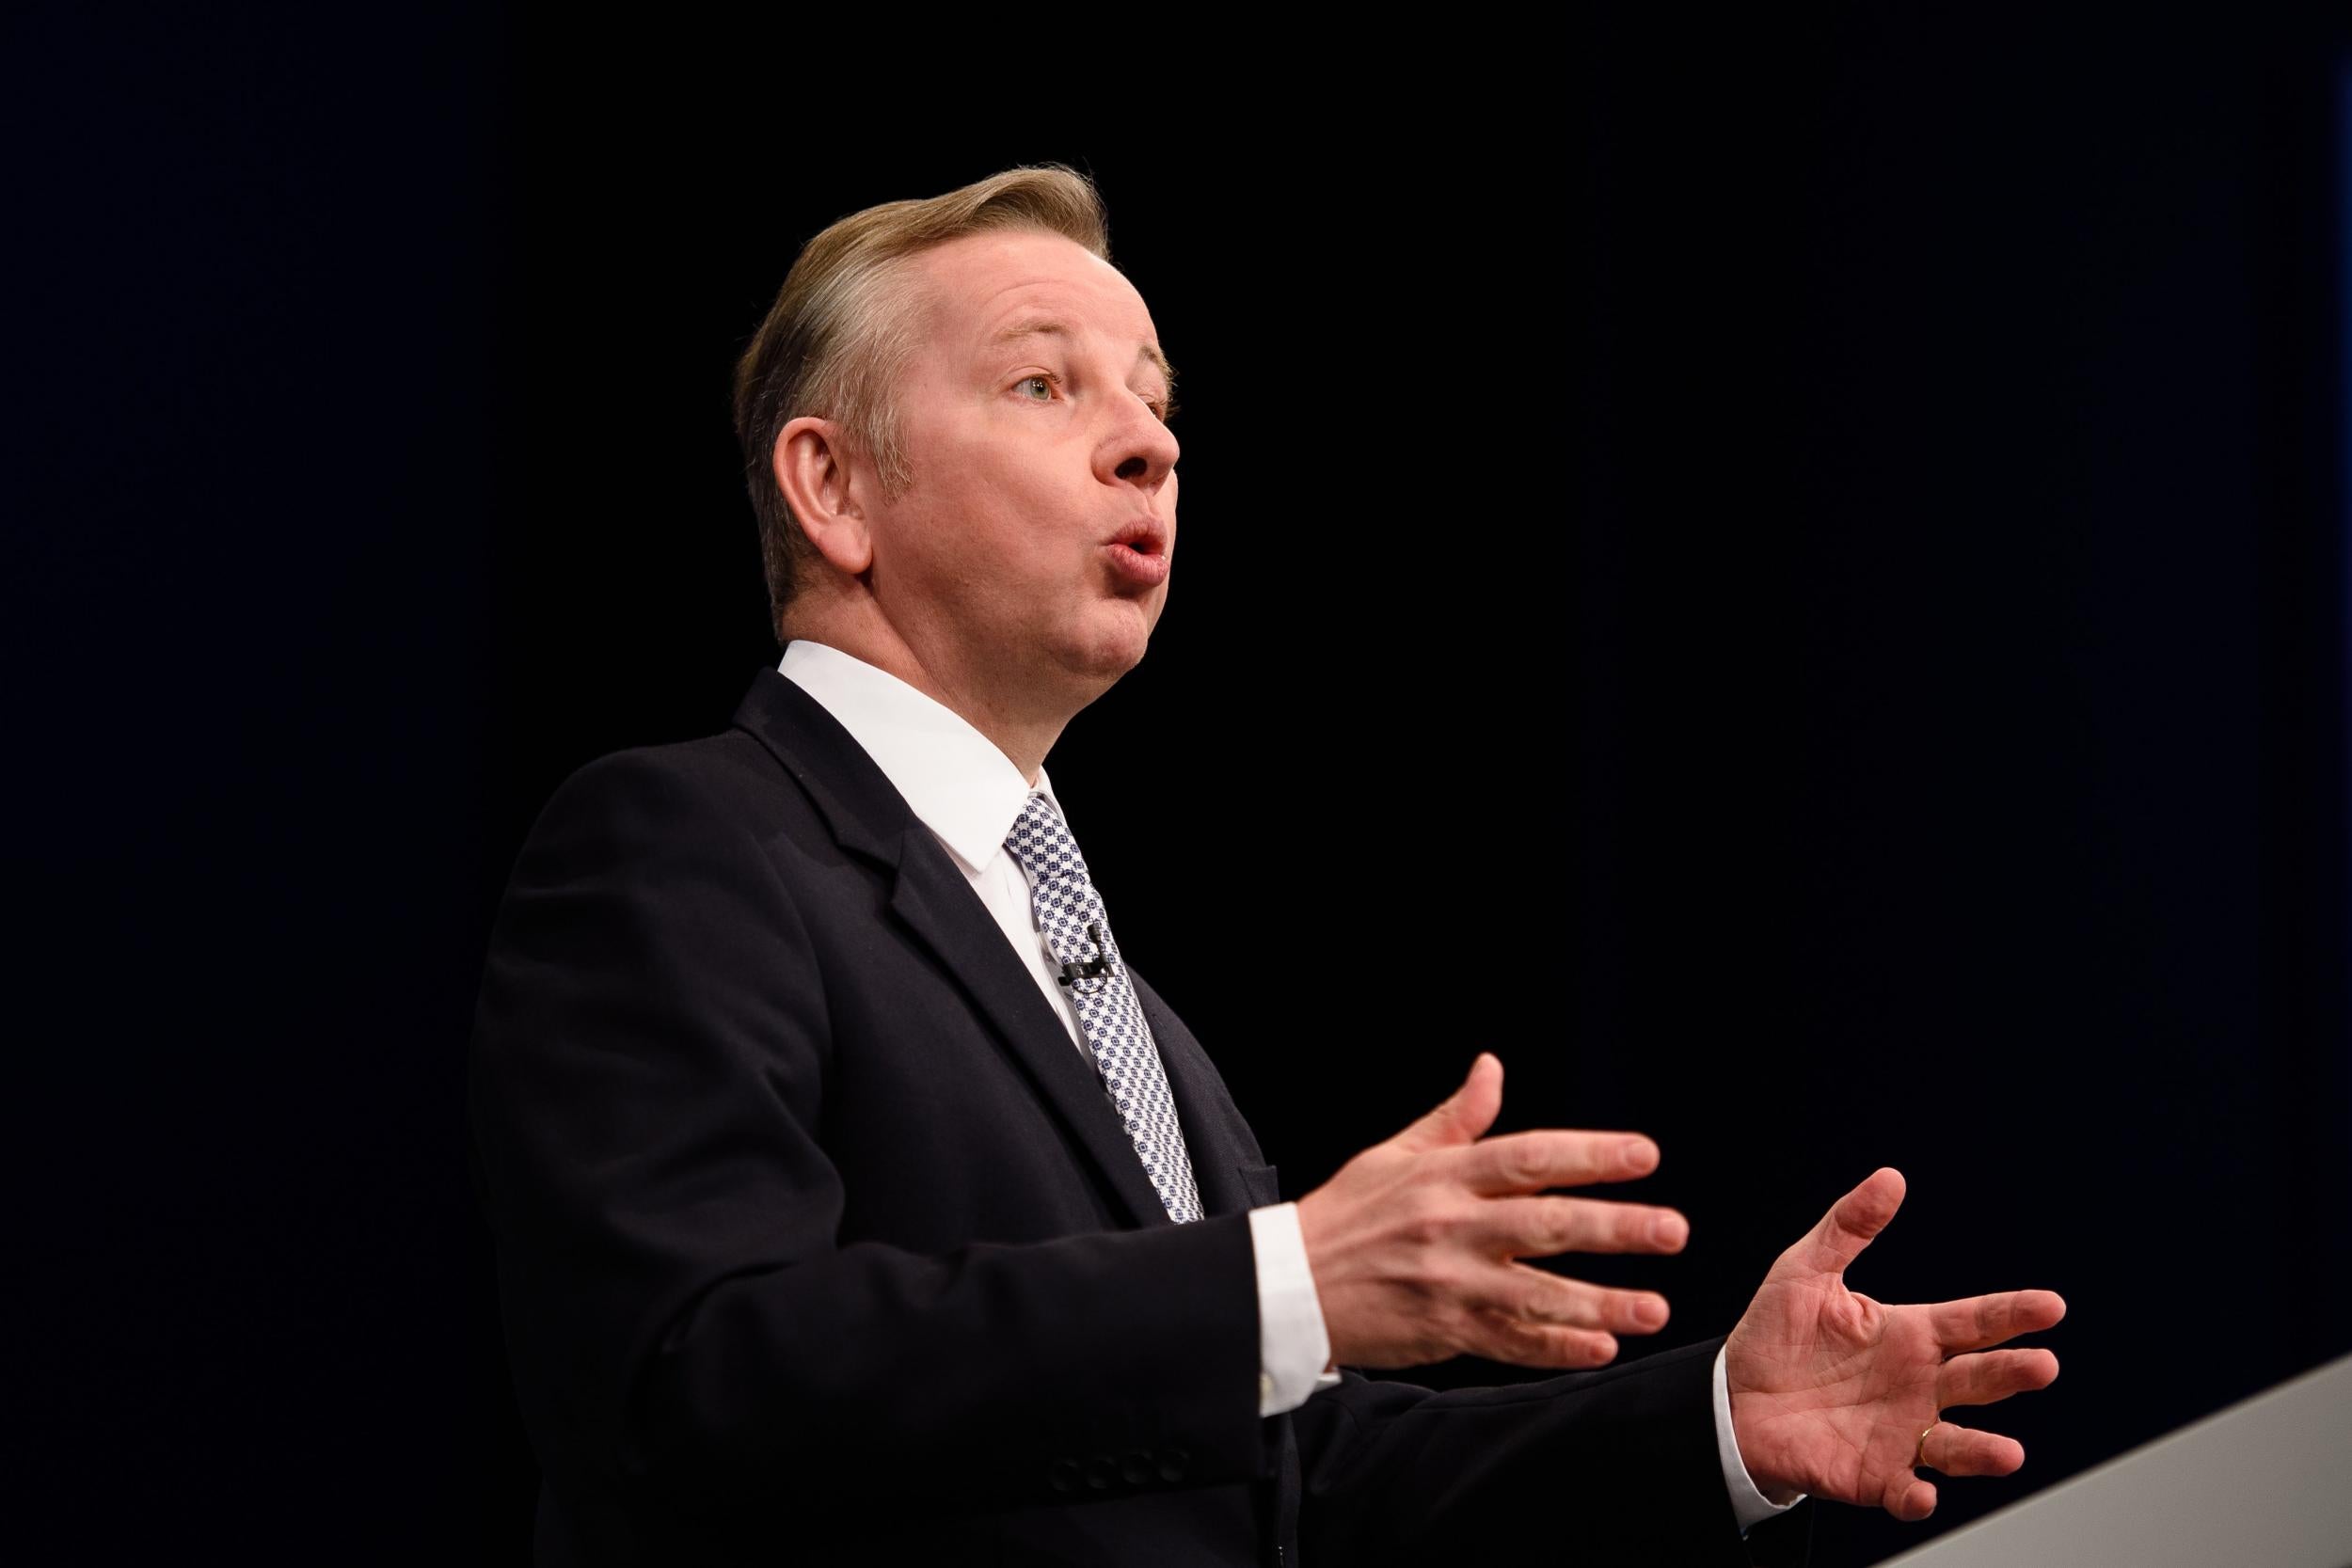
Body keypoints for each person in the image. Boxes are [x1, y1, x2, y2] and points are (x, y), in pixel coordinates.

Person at [467, 164, 2064, 1566]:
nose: (1147, 444)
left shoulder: (1123, 1008)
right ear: (833, 487)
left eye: (1157, 398)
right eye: (1046, 385)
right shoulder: (683, 847)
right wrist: (1275, 1284)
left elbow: (1305, 1485)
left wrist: (1719, 1422)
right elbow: (687, 1382)